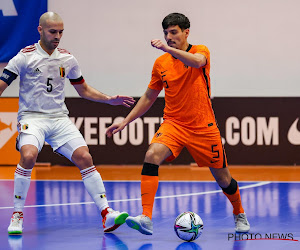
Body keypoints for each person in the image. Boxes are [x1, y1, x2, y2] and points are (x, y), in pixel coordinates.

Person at [106, 13, 250, 235]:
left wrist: (167, 48)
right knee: (152, 154)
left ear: (186, 33)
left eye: (174, 32)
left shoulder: (200, 51)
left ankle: (239, 212)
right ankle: (146, 217)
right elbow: (149, 97)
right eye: (166, 33)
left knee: (223, 179)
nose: (169, 37)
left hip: (203, 127)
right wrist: (125, 121)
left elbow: (197, 62)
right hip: (174, 124)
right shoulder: (160, 64)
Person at [0, 12, 135, 235]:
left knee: (85, 157)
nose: (58, 36)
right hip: (32, 118)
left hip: (59, 119)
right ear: (40, 30)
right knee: (29, 156)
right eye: (53, 31)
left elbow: (84, 90)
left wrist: (110, 99)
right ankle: (17, 215)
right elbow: (3, 85)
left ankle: (106, 214)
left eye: (61, 32)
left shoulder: (67, 58)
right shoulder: (24, 57)